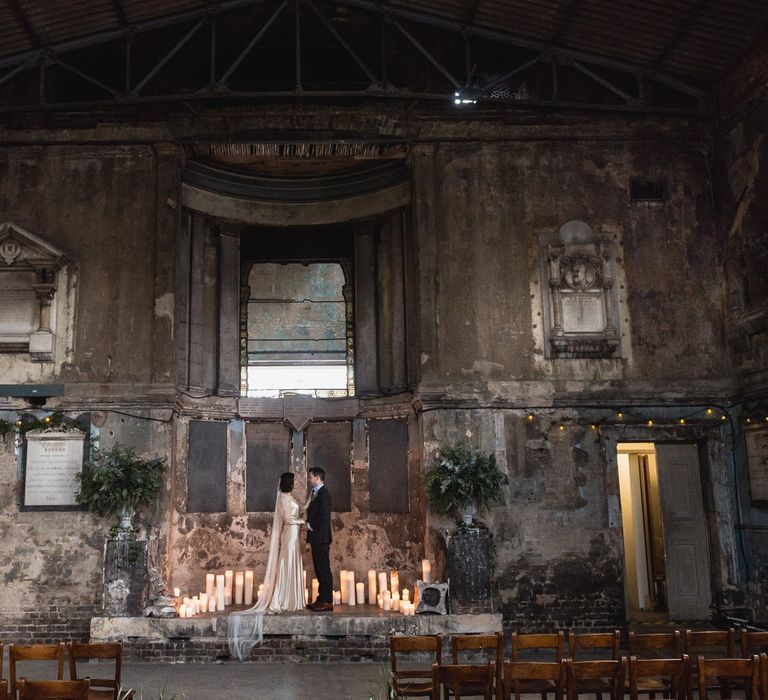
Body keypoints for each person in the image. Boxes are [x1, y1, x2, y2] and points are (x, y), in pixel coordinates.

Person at [228, 472, 305, 660]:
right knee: (287, 562)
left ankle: (292, 598)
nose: (296, 483)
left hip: (294, 534)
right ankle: (283, 598)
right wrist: (303, 521)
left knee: (292, 561)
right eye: (294, 481)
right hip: (291, 533)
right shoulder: (284, 499)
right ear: (289, 482)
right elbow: (288, 519)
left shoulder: (289, 497)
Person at [306, 466, 333, 611]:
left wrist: (310, 525)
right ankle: (321, 599)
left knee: (323, 570)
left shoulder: (324, 494)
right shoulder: (316, 493)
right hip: (317, 538)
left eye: (310, 477)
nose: (309, 479)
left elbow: (324, 517)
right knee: (319, 569)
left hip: (321, 538)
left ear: (317, 477)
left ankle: (327, 601)